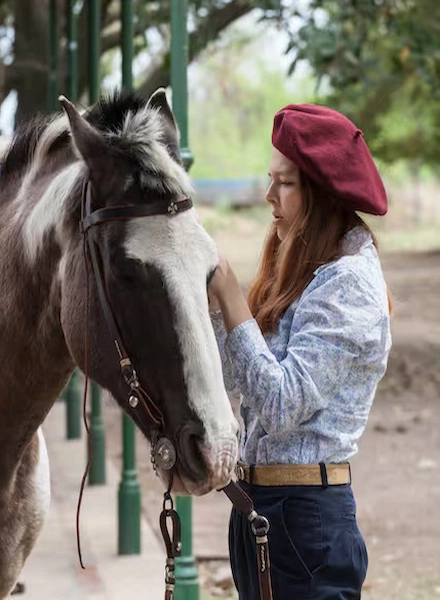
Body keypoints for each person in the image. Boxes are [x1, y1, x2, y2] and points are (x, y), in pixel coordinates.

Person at [208, 104, 392, 599]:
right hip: (260, 510)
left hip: (305, 519)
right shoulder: (302, 269)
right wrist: (210, 305)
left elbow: (281, 403)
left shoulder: (348, 283)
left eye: (284, 184)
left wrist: (231, 299)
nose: (269, 197)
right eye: (271, 180)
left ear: (321, 191)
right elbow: (236, 374)